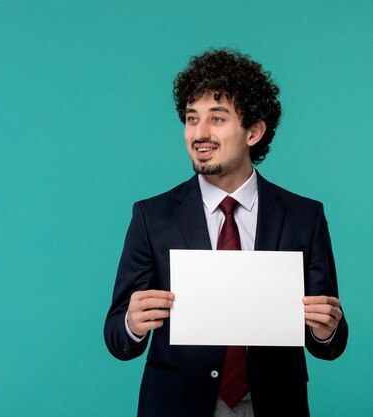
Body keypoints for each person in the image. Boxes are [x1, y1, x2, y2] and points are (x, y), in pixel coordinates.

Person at [103, 48, 348, 417]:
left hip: (275, 403)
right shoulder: (151, 217)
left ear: (254, 131)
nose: (199, 134)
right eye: (191, 119)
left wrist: (326, 328)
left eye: (217, 119)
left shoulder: (304, 216)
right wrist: (131, 323)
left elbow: (330, 342)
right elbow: (117, 337)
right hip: (178, 403)